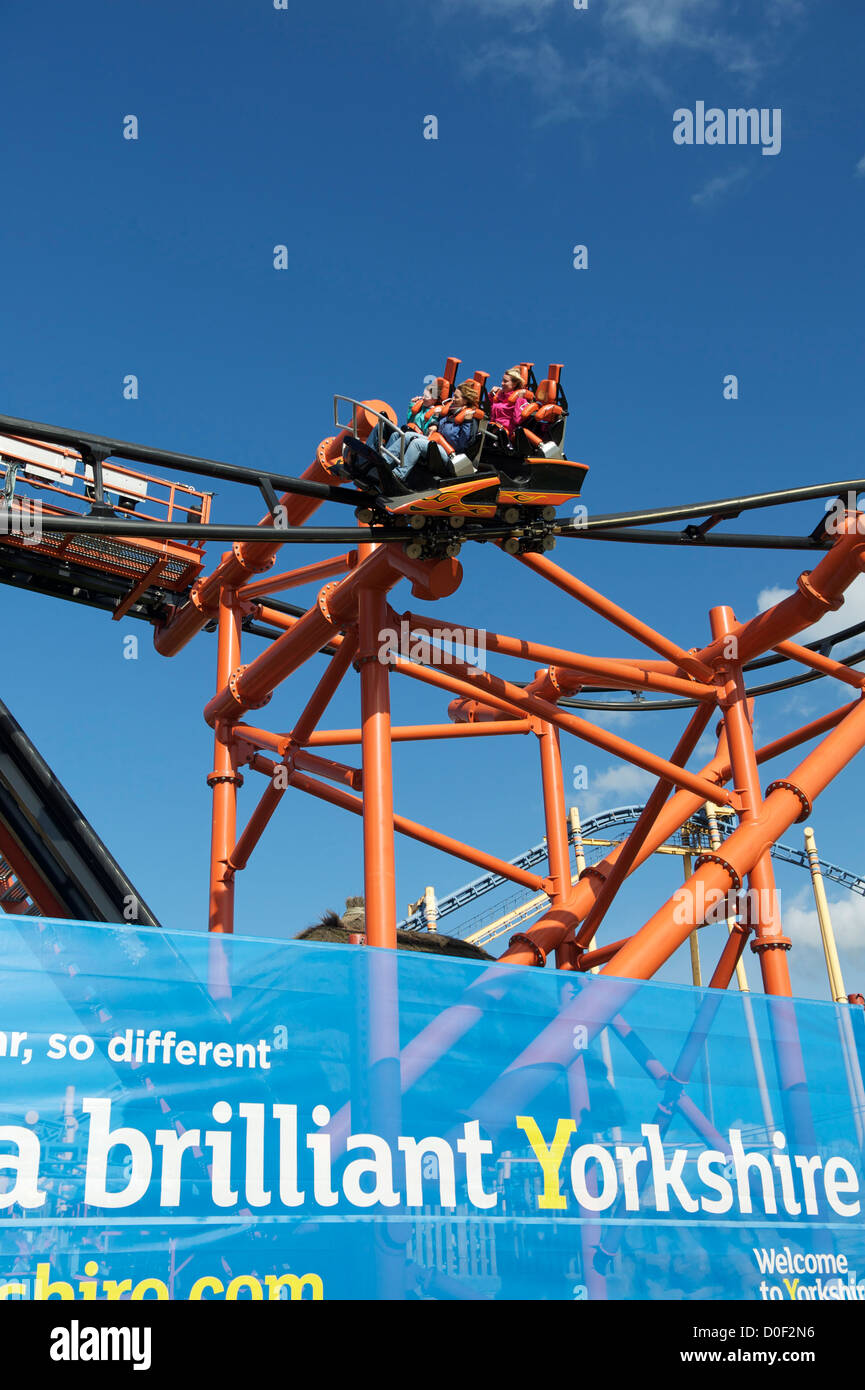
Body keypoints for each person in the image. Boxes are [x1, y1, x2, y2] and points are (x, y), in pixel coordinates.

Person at [487, 366, 530, 439]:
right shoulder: (500, 396)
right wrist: (491, 395)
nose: (502, 383)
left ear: (515, 384)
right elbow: (488, 410)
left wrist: (519, 399)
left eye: (505, 381)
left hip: (505, 433)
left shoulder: (520, 399)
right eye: (502, 380)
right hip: (492, 428)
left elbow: (518, 420)